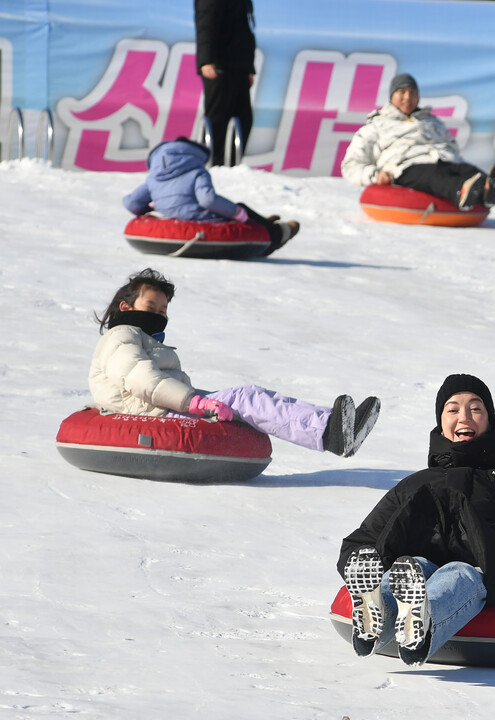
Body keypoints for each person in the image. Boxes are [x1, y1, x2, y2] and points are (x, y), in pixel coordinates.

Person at [336, 374, 495, 666]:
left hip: (491, 574)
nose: (464, 417)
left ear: (490, 417)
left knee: (460, 572)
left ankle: (420, 617)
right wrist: (370, 562)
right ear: (441, 421)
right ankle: (378, 609)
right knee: (414, 567)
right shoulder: (417, 484)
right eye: (453, 409)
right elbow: (361, 542)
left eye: (476, 408)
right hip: (417, 571)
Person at [89, 268, 380, 457]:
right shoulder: (121, 335)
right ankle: (331, 432)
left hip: (161, 407)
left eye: (163, 309)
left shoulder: (139, 337)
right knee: (246, 397)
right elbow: (141, 378)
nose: (159, 315)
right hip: (156, 415)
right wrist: (194, 403)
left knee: (246, 398)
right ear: (126, 308)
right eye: (151, 308)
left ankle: (336, 426)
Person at [340, 73, 495, 211]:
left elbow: (452, 146)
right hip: (406, 166)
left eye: (412, 92)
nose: (408, 97)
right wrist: (375, 175)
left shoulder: (431, 121)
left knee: (469, 171)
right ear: (392, 95)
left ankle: (486, 192)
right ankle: (460, 191)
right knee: (435, 177)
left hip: (443, 159)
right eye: (402, 92)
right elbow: (350, 165)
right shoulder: (376, 125)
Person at [123, 138, 299, 257]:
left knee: (238, 210)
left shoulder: (154, 178)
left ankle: (264, 222)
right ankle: (278, 233)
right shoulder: (196, 171)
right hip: (202, 219)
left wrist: (154, 209)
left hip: (171, 219)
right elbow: (208, 200)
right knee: (241, 208)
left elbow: (131, 202)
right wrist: (238, 214)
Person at [194, 0, 256, 166]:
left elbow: (246, 29)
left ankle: (232, 164)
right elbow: (205, 23)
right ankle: (214, 163)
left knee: (244, 119)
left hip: (239, 66)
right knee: (218, 118)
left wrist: (248, 67)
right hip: (219, 65)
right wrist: (205, 60)